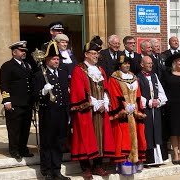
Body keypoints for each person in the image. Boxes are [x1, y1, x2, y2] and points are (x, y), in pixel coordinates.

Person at [70, 36, 115, 180]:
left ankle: (98, 165)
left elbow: (106, 86)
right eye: (93, 53)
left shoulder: (100, 70)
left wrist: (105, 101)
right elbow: (78, 90)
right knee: (85, 138)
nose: (96, 56)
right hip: (87, 111)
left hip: (101, 109)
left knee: (100, 137)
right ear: (86, 54)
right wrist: (94, 103)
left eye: (97, 54)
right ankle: (85, 168)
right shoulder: (79, 69)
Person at [33, 41, 70, 180]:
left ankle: (56, 169)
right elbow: (34, 96)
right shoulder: (39, 75)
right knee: (47, 142)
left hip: (61, 113)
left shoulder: (62, 72)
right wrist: (43, 91)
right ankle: (47, 171)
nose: (57, 61)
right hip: (48, 113)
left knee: (59, 142)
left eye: (58, 59)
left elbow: (65, 94)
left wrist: (68, 112)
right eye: (54, 59)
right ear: (47, 60)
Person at [108, 55, 147, 175]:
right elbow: (114, 95)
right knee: (123, 139)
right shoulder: (114, 78)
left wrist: (136, 107)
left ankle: (135, 164)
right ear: (119, 65)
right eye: (124, 64)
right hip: (123, 114)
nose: (127, 65)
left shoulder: (133, 77)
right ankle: (124, 166)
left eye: (128, 63)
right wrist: (124, 107)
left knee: (137, 138)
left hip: (134, 113)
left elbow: (138, 94)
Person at [0, 41, 34, 159]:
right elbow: (3, 84)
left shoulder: (27, 65)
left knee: (25, 127)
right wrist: (6, 100)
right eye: (21, 51)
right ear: (14, 52)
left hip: (27, 102)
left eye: (25, 51)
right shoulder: (7, 66)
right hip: (15, 102)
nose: (24, 53)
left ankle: (23, 148)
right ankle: (14, 150)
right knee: (14, 128)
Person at [137, 56, 168, 167]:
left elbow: (161, 92)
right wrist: (148, 102)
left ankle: (158, 158)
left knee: (157, 133)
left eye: (151, 63)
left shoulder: (154, 76)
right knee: (147, 134)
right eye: (148, 63)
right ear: (142, 64)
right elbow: (137, 94)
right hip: (146, 110)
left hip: (156, 110)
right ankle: (148, 159)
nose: (150, 65)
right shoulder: (138, 77)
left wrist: (158, 100)